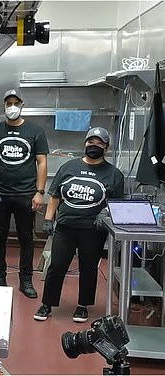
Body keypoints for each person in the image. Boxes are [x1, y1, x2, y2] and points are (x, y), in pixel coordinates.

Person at [34, 127, 124, 322]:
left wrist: (105, 213)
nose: (94, 146)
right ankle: (47, 303)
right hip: (65, 227)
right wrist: (49, 219)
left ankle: (83, 306)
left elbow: (116, 205)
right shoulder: (68, 168)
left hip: (93, 231)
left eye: (99, 143)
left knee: (88, 268)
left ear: (106, 148)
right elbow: (55, 196)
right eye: (91, 142)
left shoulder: (114, 174)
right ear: (85, 144)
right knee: (57, 266)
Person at [0, 89, 49, 298]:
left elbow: (42, 162)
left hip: (26, 194)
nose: (12, 106)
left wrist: (39, 193)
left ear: (21, 105)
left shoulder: (35, 132)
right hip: (0, 193)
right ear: (4, 106)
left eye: (15, 103)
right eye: (8, 103)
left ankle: (26, 280)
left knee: (26, 237)